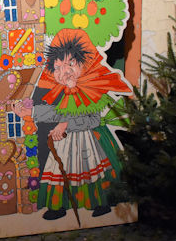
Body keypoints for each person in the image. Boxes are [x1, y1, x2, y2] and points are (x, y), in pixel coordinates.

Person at [15, 28, 131, 220]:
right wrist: (31, 112)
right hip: (65, 143)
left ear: (84, 64)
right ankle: (58, 205)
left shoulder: (90, 89)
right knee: (61, 171)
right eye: (58, 68)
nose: (64, 72)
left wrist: (65, 125)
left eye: (70, 64)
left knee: (89, 170)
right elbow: (57, 112)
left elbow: (92, 119)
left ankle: (99, 202)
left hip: (89, 142)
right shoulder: (63, 91)